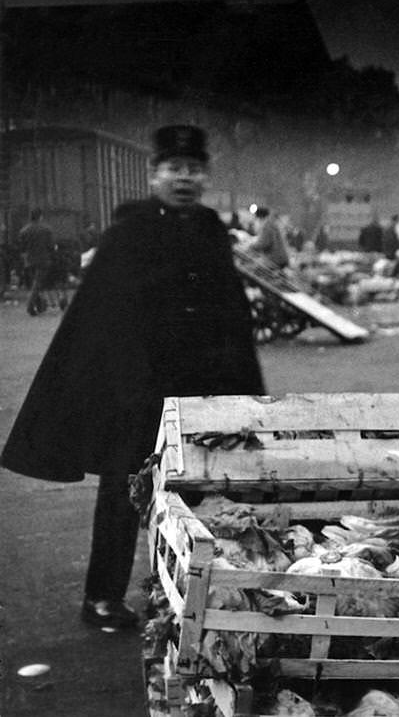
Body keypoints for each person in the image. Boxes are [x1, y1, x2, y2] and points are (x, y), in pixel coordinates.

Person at [1, 124, 265, 632]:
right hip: (136, 390)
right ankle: (101, 598)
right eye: (174, 169)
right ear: (154, 175)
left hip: (199, 388)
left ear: (204, 175)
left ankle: (186, 594)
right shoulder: (129, 231)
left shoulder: (211, 228)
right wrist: (129, 387)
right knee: (124, 495)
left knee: (196, 495)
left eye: (193, 169)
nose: (184, 178)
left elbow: (230, 310)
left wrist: (242, 388)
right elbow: (106, 316)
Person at [17, 207, 56, 316]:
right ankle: (30, 306)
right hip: (43, 260)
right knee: (37, 283)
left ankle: (39, 305)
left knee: (35, 283)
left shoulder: (24, 231)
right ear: (40, 216)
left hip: (29, 261)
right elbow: (51, 246)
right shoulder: (46, 229)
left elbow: (21, 247)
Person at [247, 205, 291, 270]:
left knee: (253, 269)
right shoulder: (271, 223)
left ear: (259, 217)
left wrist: (250, 246)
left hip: (274, 260)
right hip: (280, 258)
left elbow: (264, 243)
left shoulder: (267, 225)